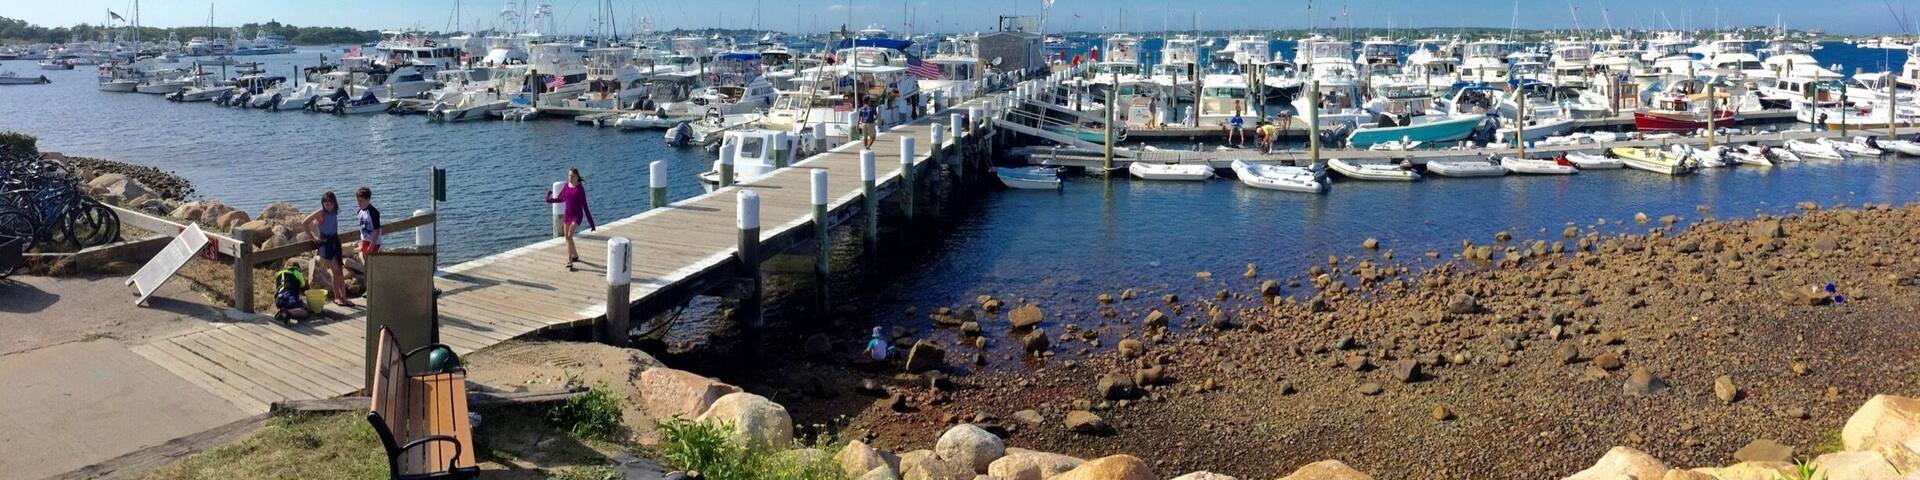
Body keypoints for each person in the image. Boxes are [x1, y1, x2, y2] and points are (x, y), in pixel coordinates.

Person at [302, 191, 353, 307]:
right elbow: (304, 223)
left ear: (334, 203)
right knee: (335, 271)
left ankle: (345, 297)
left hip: (335, 240)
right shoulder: (320, 213)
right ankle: (337, 297)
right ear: (323, 203)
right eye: (326, 203)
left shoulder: (334, 211)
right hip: (325, 242)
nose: (328, 205)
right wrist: (312, 236)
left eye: (331, 203)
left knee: (340, 270)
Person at [544, 168, 598, 271]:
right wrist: (548, 199)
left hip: (577, 216)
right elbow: (560, 198)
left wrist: (591, 224)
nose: (570, 178)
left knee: (569, 235)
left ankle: (570, 261)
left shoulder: (580, 190)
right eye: (569, 175)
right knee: (567, 237)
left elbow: (585, 207)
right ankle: (575, 255)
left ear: (577, 177)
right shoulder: (566, 187)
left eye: (572, 176)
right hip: (567, 215)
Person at [354, 186, 381, 267]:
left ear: (368, 199)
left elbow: (377, 230)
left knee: (373, 263)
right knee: (366, 262)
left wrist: (371, 246)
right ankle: (369, 277)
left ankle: (375, 278)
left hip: (373, 242)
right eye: (357, 201)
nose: (359, 203)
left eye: (361, 201)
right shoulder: (360, 212)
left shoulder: (373, 212)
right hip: (365, 240)